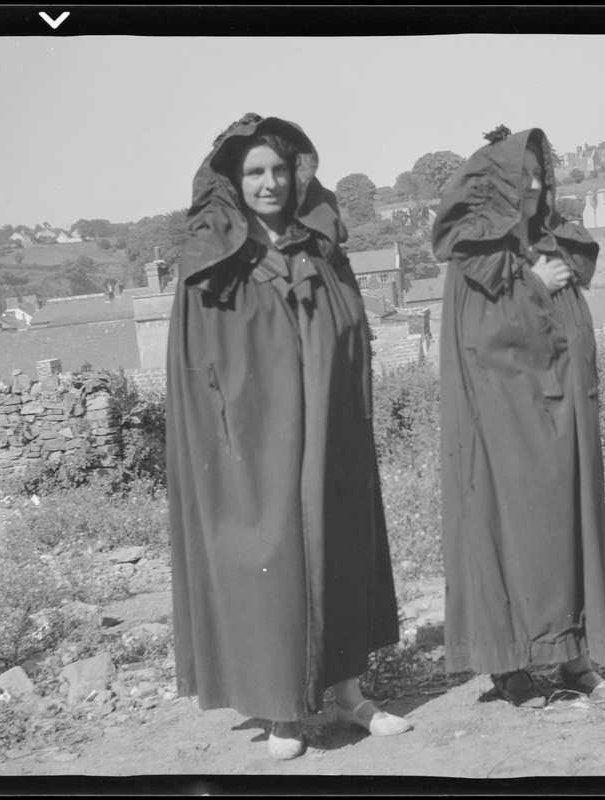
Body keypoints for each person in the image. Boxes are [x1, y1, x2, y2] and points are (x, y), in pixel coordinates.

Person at [166, 113, 411, 760]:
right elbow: (201, 363)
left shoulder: (321, 244)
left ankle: (348, 692)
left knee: (336, 542)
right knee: (271, 560)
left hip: (330, 425)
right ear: (233, 181)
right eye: (254, 172)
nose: (269, 183)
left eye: (278, 169)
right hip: (256, 438)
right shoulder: (213, 258)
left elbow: (350, 328)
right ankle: (281, 711)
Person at [432, 126, 605, 708]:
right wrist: (533, 286)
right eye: (524, 179)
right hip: (502, 422)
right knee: (512, 531)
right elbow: (483, 342)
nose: (538, 188)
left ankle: (572, 656)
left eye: (542, 177)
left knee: (565, 525)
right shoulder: (476, 256)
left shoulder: (550, 239)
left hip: (560, 413)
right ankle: (509, 664)